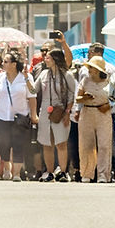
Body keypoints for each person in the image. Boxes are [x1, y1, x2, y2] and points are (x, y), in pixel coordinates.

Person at [0, 51, 36, 181]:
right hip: (2, 117)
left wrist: (33, 115)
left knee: (18, 145)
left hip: (20, 117)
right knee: (3, 145)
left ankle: (17, 173)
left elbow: (33, 95)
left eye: (6, 61)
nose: (3, 63)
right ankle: (7, 168)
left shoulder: (26, 77)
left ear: (14, 64)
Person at [30, 48, 76, 182]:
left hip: (60, 111)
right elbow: (34, 89)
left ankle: (63, 172)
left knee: (61, 143)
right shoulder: (44, 74)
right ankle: (49, 172)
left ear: (55, 59)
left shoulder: (67, 74)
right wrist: (27, 78)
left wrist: (68, 112)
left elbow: (72, 94)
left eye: (48, 58)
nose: (45, 59)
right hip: (45, 112)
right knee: (46, 144)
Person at [76, 56, 112, 182]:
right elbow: (77, 98)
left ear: (97, 70)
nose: (89, 70)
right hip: (87, 112)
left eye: (91, 67)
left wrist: (108, 106)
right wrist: (85, 97)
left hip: (103, 113)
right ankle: (87, 173)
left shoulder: (108, 81)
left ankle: (103, 174)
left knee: (104, 145)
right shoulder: (85, 80)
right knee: (86, 145)